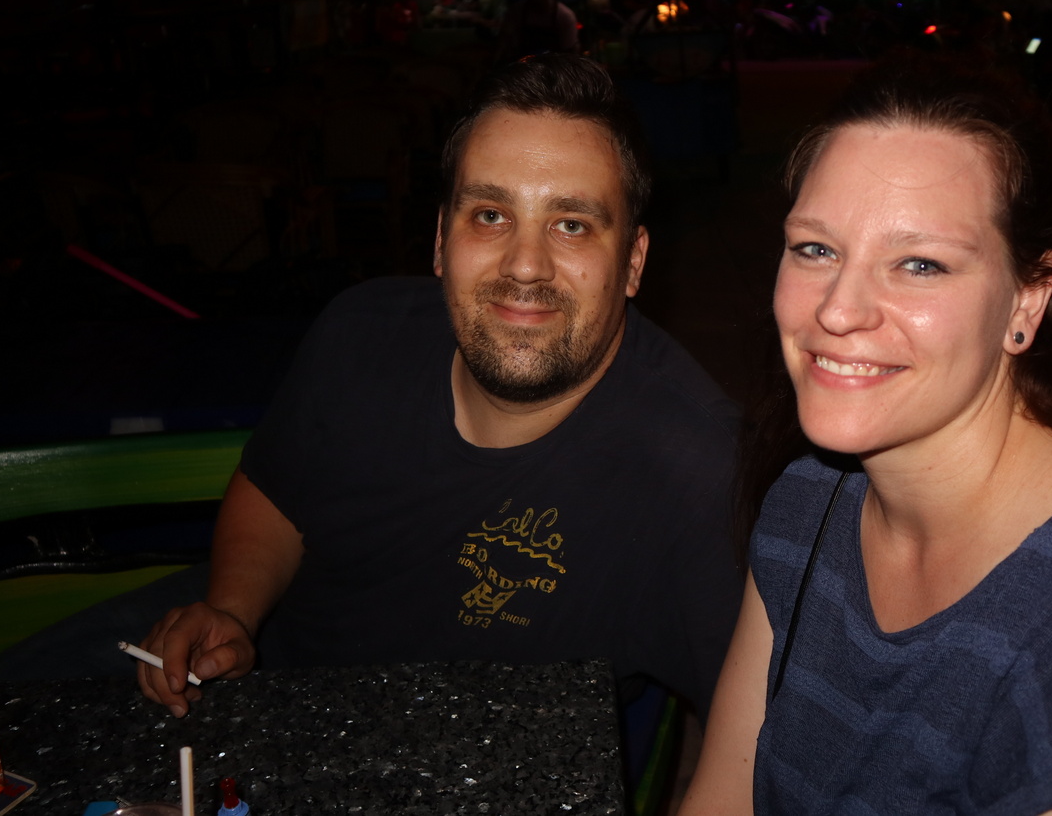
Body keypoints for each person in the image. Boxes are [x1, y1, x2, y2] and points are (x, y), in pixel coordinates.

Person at [682, 59, 1052, 815]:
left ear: (1028, 299)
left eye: (920, 264)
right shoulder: (809, 499)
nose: (838, 310)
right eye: (815, 249)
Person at [133, 54, 742, 719]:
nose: (525, 265)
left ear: (633, 262)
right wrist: (232, 611)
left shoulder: (700, 473)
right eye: (490, 215)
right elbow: (275, 490)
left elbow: (760, 734)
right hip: (281, 710)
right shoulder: (359, 333)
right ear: (440, 240)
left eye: (571, 224)